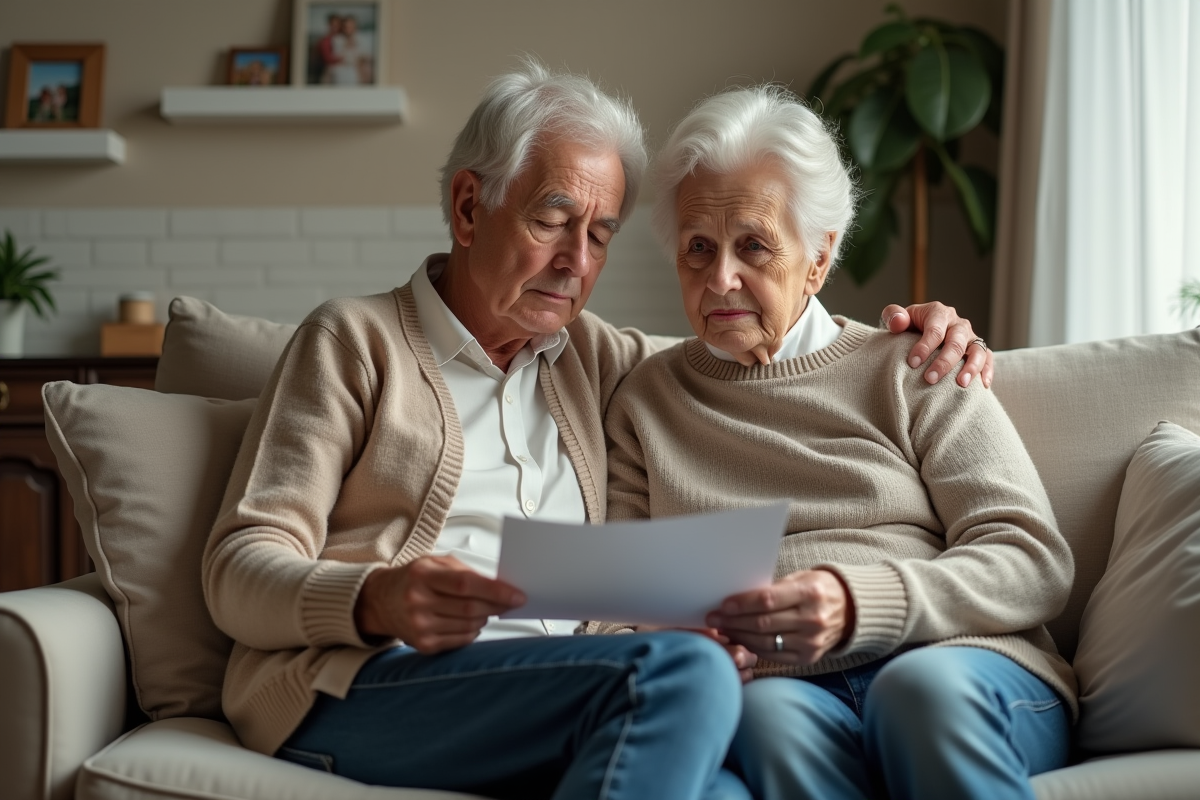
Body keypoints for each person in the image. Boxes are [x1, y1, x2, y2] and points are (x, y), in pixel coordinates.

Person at [202, 61, 993, 798]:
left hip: (566, 688)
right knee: (684, 676)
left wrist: (928, 331)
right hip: (367, 684)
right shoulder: (353, 341)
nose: (576, 261)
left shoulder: (599, 359)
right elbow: (237, 569)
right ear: (469, 208)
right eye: (553, 220)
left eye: (601, 233)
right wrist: (375, 598)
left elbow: (752, 339)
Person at [601, 85, 1076, 800]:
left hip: (956, 663)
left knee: (918, 694)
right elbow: (621, 597)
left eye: (753, 245)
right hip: (779, 687)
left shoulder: (915, 363)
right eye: (698, 248)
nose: (720, 277)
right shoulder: (645, 401)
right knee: (763, 719)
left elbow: (1032, 558)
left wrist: (860, 603)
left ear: (819, 258)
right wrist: (685, 642)